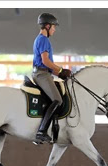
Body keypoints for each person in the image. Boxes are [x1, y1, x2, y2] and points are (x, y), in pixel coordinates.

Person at [32, 13, 72, 143]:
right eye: (54, 27)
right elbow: (45, 61)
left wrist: (60, 74)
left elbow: (47, 66)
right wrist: (60, 69)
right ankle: (41, 131)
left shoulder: (41, 39)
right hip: (42, 74)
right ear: (48, 26)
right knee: (58, 100)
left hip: (44, 73)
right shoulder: (43, 40)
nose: (54, 30)